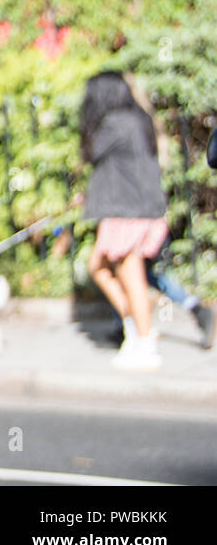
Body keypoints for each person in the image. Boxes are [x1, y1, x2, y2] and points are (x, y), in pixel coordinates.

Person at [78, 72, 172, 370]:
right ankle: (137, 330)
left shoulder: (115, 123)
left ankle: (145, 343)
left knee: (131, 278)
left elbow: (90, 153)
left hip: (127, 211)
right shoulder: (135, 119)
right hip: (135, 207)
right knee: (100, 267)